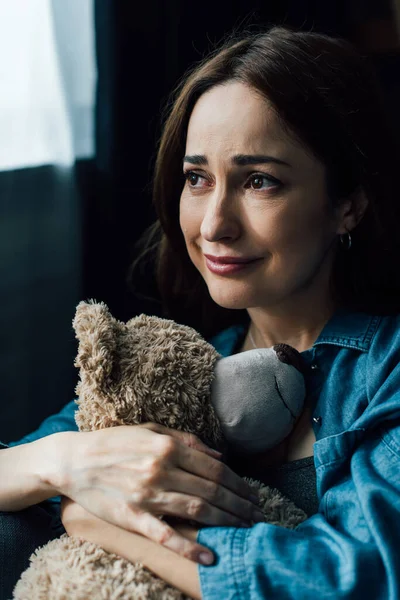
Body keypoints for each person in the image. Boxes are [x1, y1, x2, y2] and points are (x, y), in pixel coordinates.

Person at [1, 25, 400, 599]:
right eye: (197, 179)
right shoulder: (179, 368)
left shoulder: (386, 372)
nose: (214, 225)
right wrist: (66, 461)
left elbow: (363, 575)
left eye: (260, 181)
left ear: (348, 205)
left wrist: (103, 525)